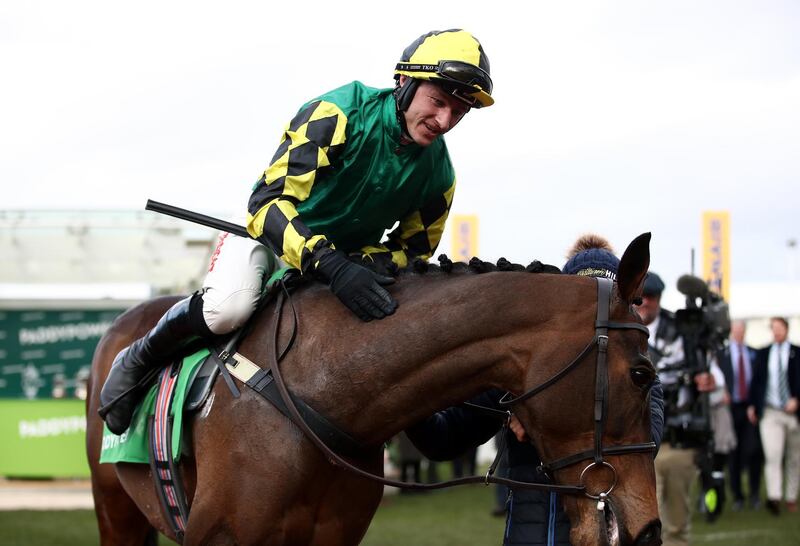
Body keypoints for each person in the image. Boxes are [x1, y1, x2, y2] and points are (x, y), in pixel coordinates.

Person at [98, 29, 495, 434]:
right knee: (226, 309)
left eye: (458, 112)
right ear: (405, 82)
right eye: (438, 101)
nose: (444, 121)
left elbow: (413, 252)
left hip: (346, 264)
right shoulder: (337, 112)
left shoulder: (440, 175)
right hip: (272, 239)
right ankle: (138, 357)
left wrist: (365, 262)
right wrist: (330, 262)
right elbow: (266, 202)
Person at [406, 235, 665, 546]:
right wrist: (401, 394)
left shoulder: (638, 379)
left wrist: (536, 412)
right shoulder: (521, 377)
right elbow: (442, 439)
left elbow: (647, 439)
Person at [636, 272, 716, 546]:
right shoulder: (618, 328)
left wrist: (707, 379)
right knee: (641, 523)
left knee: (678, 521)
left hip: (677, 438)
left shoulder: (684, 330)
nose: (645, 302)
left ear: (659, 299)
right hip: (636, 442)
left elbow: (709, 369)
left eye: (652, 297)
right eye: (640, 296)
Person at [747, 317, 800, 515]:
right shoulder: (764, 353)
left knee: (794, 457)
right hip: (770, 412)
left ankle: (791, 497)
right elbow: (757, 381)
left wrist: (797, 399)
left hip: (793, 413)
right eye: (774, 328)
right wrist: (753, 405)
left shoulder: (797, 352)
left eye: (780, 328)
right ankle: (774, 497)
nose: (776, 332)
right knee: (773, 455)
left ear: (786, 329)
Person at [717, 320, 762, 510]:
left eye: (741, 331)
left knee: (753, 452)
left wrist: (754, 405)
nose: (738, 334)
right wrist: (723, 392)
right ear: (731, 332)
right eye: (735, 331)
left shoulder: (754, 353)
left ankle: (754, 494)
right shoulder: (722, 355)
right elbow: (717, 378)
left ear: (745, 332)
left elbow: (759, 382)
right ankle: (738, 496)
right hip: (729, 409)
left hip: (750, 409)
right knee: (733, 454)